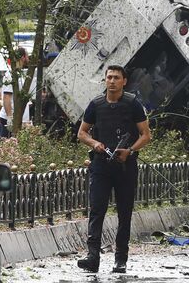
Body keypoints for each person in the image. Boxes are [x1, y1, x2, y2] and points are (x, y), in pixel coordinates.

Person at [77, 65, 151, 274]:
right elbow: (82, 133)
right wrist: (95, 144)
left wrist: (130, 150)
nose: (112, 81)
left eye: (116, 78)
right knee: (96, 210)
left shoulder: (133, 103)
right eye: (109, 77)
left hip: (125, 166)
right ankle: (92, 258)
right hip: (100, 164)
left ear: (124, 81)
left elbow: (146, 135)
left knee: (124, 213)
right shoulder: (95, 104)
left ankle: (121, 259)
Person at [0, 47, 32, 131]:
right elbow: (6, 97)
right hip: (11, 119)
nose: (29, 58)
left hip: (19, 119)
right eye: (27, 56)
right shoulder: (10, 74)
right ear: (23, 57)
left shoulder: (19, 73)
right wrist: (10, 118)